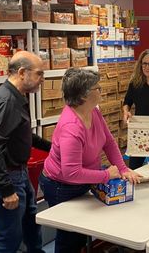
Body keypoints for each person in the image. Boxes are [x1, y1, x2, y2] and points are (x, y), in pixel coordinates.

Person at [39, 68, 142, 253]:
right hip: (60, 185)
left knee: (80, 234)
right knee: (69, 237)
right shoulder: (71, 127)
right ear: (84, 95)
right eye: (97, 88)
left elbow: (109, 142)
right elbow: (71, 173)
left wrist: (123, 169)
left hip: (84, 178)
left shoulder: (93, 111)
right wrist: (106, 174)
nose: (101, 90)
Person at [0, 51, 50, 253]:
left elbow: (24, 136)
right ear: (22, 72)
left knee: (31, 227)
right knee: (10, 239)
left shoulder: (16, 96)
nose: (42, 80)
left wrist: (53, 148)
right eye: (39, 74)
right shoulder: (7, 101)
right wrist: (6, 189)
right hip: (7, 178)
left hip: (19, 174)